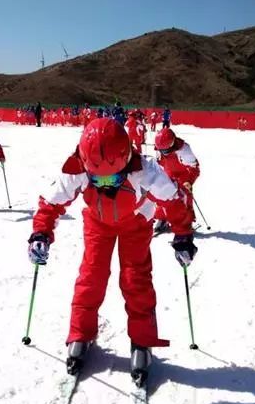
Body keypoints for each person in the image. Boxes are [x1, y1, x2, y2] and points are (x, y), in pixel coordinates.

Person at [27, 118, 197, 376]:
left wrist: (183, 235)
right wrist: (41, 232)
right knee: (91, 276)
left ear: (127, 161)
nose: (107, 186)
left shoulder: (145, 170)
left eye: (114, 179)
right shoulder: (77, 168)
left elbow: (173, 200)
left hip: (136, 222)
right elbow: (51, 203)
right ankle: (80, 333)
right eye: (100, 181)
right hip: (98, 223)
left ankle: (142, 339)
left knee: (135, 278)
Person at [152, 127, 200, 234]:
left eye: (166, 150)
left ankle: (186, 222)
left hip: (184, 174)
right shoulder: (160, 148)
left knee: (184, 197)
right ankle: (162, 218)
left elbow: (194, 167)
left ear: (172, 143)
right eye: (161, 150)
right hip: (168, 172)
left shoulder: (183, 149)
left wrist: (189, 180)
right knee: (163, 194)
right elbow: (159, 162)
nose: (164, 152)